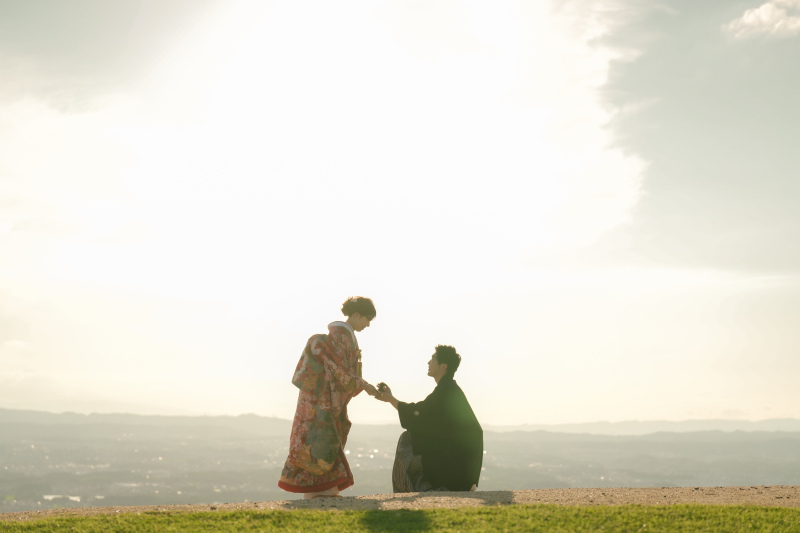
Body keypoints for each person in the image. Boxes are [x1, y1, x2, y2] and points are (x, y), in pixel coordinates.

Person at [278, 297, 379, 499]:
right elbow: (338, 370)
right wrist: (364, 385)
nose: (367, 325)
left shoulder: (342, 335)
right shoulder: (342, 337)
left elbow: (341, 370)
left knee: (313, 439)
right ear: (356, 314)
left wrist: (361, 383)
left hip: (318, 396)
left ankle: (317, 489)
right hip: (321, 399)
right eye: (367, 319)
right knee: (321, 439)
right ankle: (322, 489)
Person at [375, 345, 483, 492]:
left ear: (443, 366)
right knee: (410, 438)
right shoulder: (448, 389)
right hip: (457, 461)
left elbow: (418, 413)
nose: (428, 362)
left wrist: (391, 399)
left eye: (433, 359)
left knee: (406, 440)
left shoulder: (446, 391)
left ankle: (406, 491)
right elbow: (423, 415)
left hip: (454, 463)